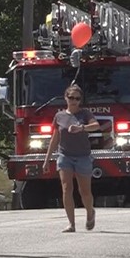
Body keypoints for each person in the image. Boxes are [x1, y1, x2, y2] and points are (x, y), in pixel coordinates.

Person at [42, 84, 100, 232]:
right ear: (65, 98)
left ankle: (90, 213)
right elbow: (55, 138)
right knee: (66, 188)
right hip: (64, 156)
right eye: (71, 97)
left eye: (77, 98)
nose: (74, 101)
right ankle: (71, 224)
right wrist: (47, 160)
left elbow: (96, 125)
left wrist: (82, 128)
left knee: (84, 191)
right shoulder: (59, 116)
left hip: (83, 157)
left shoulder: (85, 114)